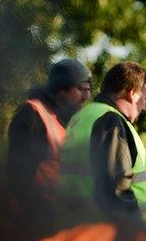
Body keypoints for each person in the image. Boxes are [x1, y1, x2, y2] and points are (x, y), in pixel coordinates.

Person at [57, 62, 146, 223]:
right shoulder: (110, 120)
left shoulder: (82, 117)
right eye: (145, 98)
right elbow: (117, 188)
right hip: (107, 235)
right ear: (132, 94)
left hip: (75, 226)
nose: (144, 106)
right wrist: (136, 233)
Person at [7, 59, 92, 216]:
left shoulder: (62, 119)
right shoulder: (33, 114)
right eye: (82, 89)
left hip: (57, 213)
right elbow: (19, 170)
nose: (87, 96)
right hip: (34, 214)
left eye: (89, 90)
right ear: (62, 89)